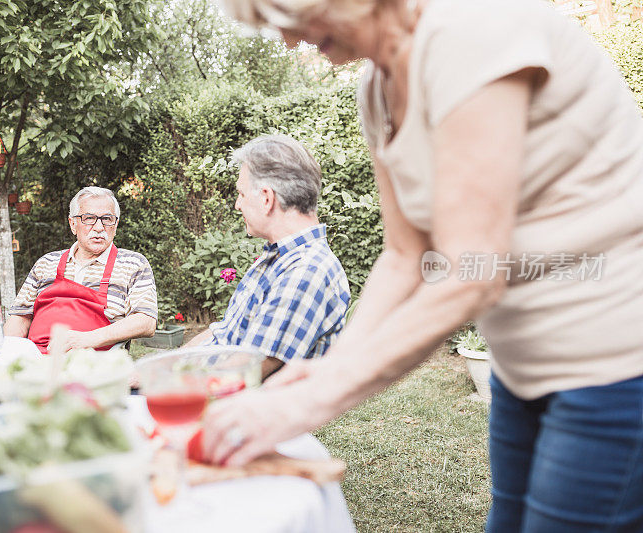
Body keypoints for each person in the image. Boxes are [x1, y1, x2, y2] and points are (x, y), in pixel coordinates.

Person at [202, 0, 643, 531]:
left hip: (616, 360)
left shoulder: (471, 27)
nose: (290, 41)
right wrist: (334, 365)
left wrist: (317, 400)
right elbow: (406, 256)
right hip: (519, 368)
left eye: (289, 17)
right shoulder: (376, 89)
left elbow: (470, 272)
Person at [185, 134, 350, 380]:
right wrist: (158, 367)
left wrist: (163, 380)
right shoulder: (280, 257)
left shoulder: (306, 270)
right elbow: (222, 333)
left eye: (241, 194)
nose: (237, 205)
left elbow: (242, 372)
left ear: (266, 198)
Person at [5, 187, 157, 353]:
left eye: (107, 219)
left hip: (94, 365)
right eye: (89, 218)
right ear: (72, 224)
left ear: (116, 224)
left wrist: (88, 339)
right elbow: (19, 319)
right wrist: (7, 354)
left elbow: (146, 321)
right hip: (36, 362)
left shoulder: (133, 264)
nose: (99, 227)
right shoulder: (46, 263)